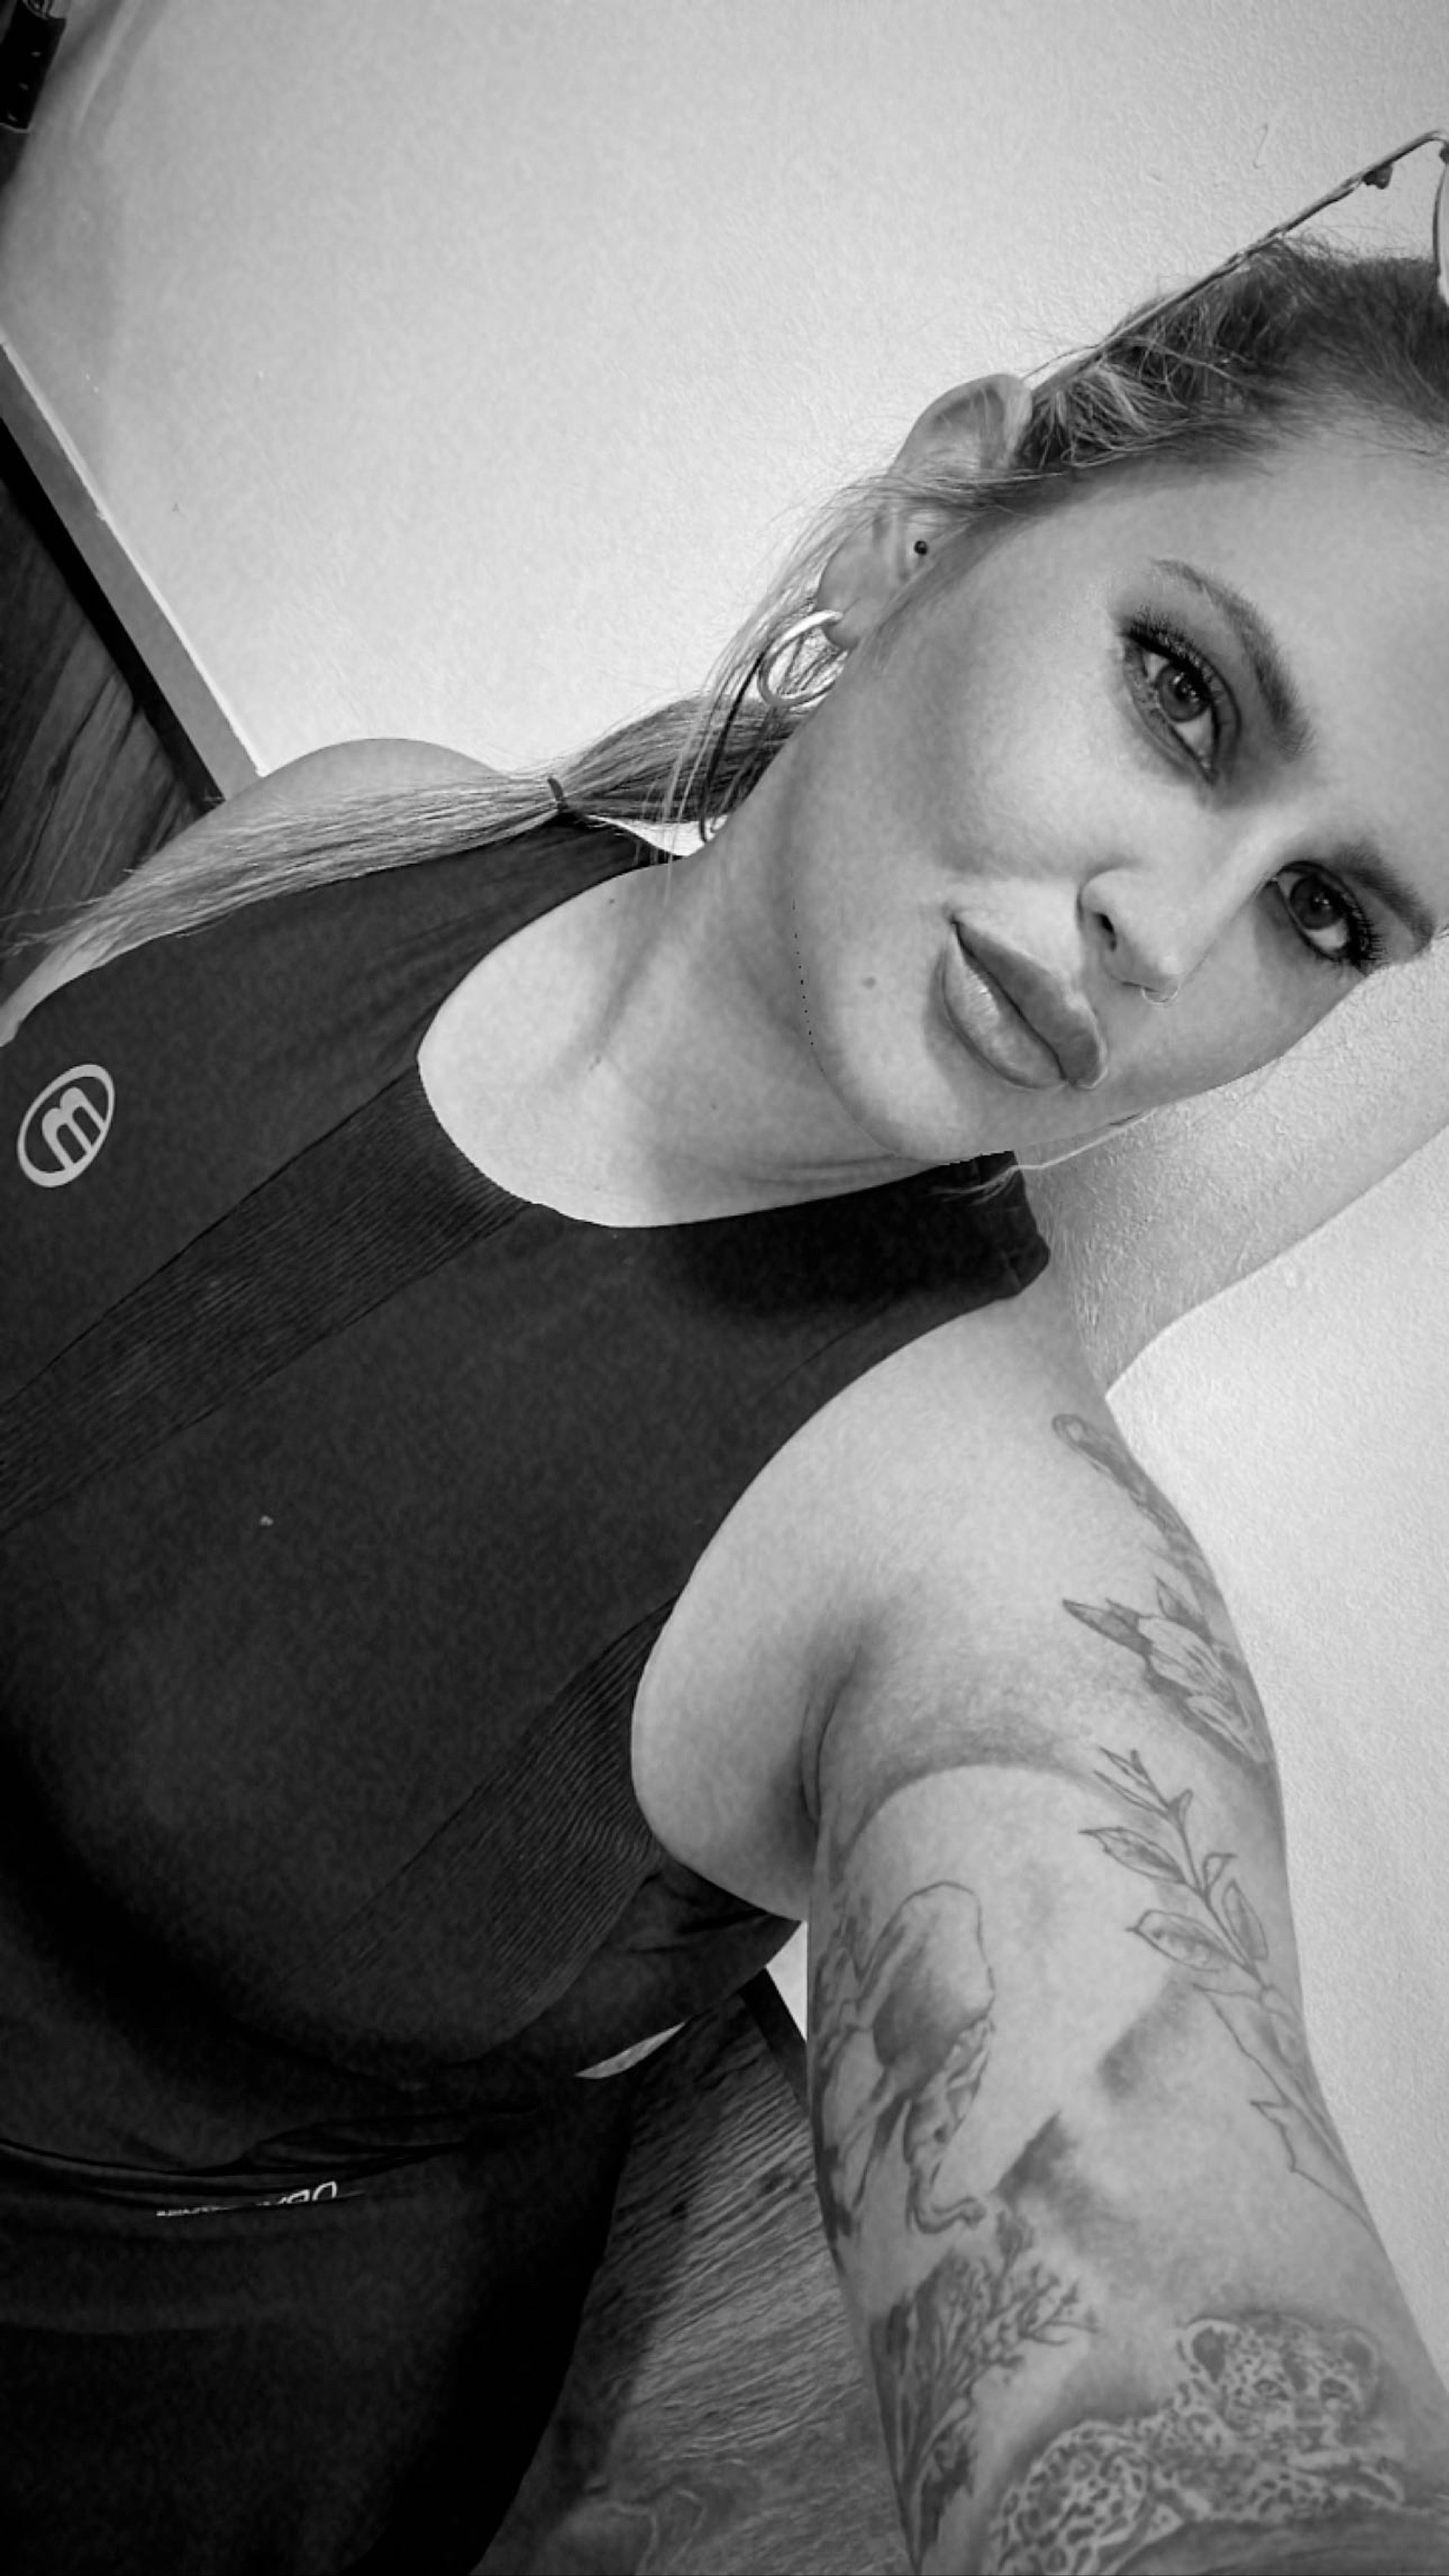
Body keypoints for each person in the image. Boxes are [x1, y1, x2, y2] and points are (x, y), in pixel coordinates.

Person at [4, 142, 1449, 2573]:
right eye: (1184, 693)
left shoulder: (972, 1566)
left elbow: (1172, 2298)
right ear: (937, 526)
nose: (1174, 928)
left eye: (1325, 911)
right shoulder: (369, 828)